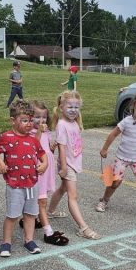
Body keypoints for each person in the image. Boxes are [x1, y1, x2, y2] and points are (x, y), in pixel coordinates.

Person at [0, 100, 48, 257]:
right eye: (24, 120)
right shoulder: (6, 137)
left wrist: (44, 165)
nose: (29, 124)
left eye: (30, 120)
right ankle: (6, 242)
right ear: (13, 121)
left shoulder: (33, 139)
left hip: (32, 184)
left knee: (30, 214)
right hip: (14, 184)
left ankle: (29, 240)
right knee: (13, 215)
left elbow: (42, 154)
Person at [96, 90, 136, 224]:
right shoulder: (127, 121)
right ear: (133, 107)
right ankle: (104, 200)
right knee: (115, 183)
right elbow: (113, 134)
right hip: (122, 157)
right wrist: (104, 149)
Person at [48, 91, 101, 240]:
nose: (73, 110)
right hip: (68, 164)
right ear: (61, 107)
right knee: (73, 196)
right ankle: (83, 228)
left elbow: (64, 142)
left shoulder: (74, 122)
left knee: (63, 188)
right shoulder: (62, 125)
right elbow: (62, 148)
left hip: (74, 163)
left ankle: (50, 211)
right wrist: (64, 167)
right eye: (70, 106)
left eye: (76, 107)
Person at [30, 99, 69, 246]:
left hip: (46, 170)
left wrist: (52, 147)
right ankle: (48, 232)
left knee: (39, 198)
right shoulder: (30, 132)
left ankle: (31, 218)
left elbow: (45, 148)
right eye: (37, 116)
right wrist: (39, 132)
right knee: (42, 200)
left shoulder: (45, 131)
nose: (41, 120)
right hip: (38, 170)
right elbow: (33, 147)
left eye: (44, 117)